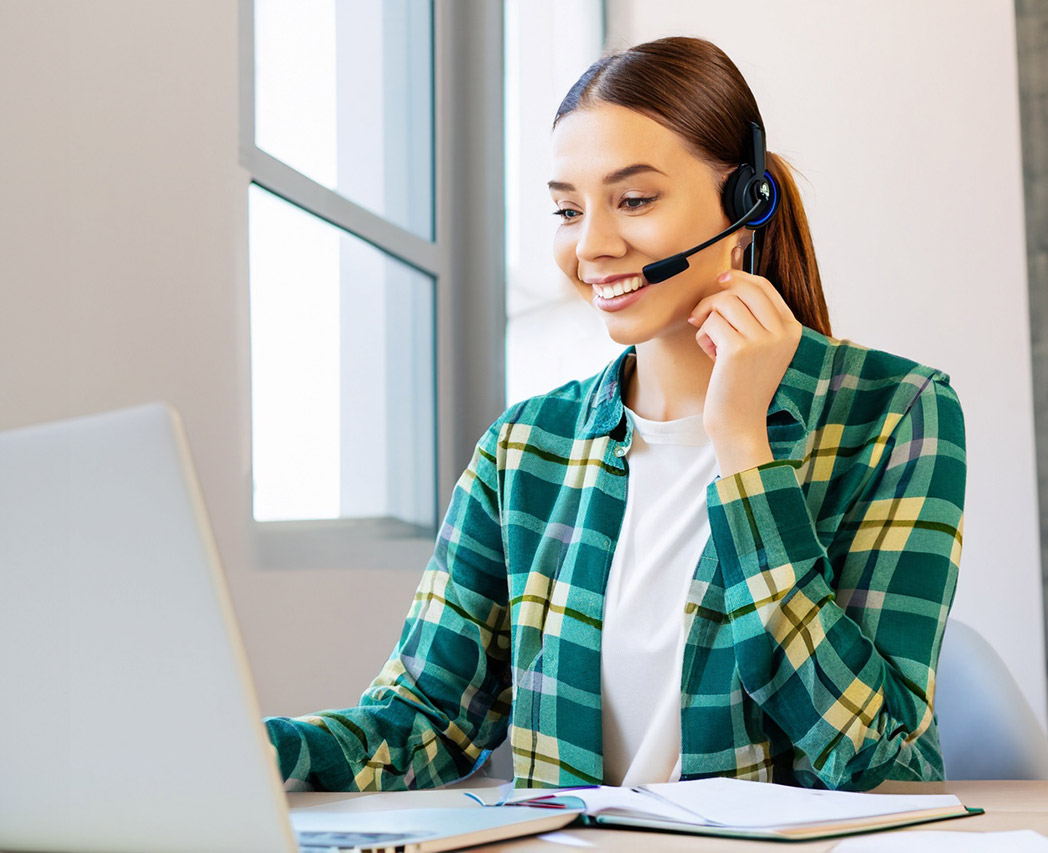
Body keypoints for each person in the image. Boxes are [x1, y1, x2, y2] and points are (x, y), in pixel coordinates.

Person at [266, 36, 966, 793]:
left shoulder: (896, 414)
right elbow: (425, 716)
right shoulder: (524, 450)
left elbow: (873, 751)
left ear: (745, 203)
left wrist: (742, 447)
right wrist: (252, 750)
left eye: (633, 200)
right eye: (568, 209)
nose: (592, 246)